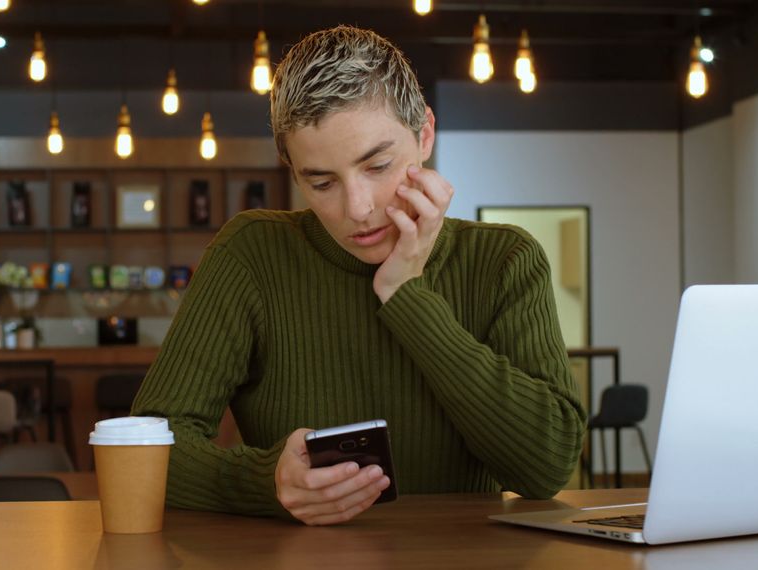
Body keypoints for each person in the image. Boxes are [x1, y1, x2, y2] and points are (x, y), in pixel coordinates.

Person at [131, 25, 586, 526]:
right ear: (292, 169)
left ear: (425, 134)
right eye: (321, 182)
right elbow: (143, 449)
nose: (358, 209)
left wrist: (406, 294)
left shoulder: (505, 261)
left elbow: (547, 466)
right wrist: (267, 482)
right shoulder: (251, 254)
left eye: (379, 165)